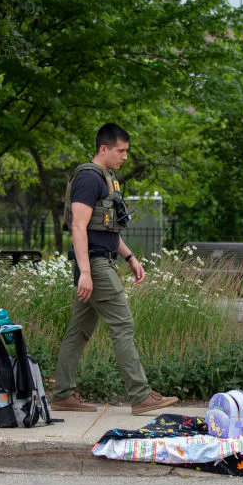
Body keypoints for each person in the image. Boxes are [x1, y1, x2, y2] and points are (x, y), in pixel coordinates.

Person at [52, 123, 179, 415]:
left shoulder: (108, 179)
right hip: (95, 264)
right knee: (123, 325)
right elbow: (78, 226)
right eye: (121, 151)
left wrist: (130, 257)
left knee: (79, 330)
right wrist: (85, 272)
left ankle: (62, 394)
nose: (125, 157)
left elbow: (106, 230)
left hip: (102, 259)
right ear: (104, 149)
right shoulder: (88, 178)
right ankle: (140, 395)